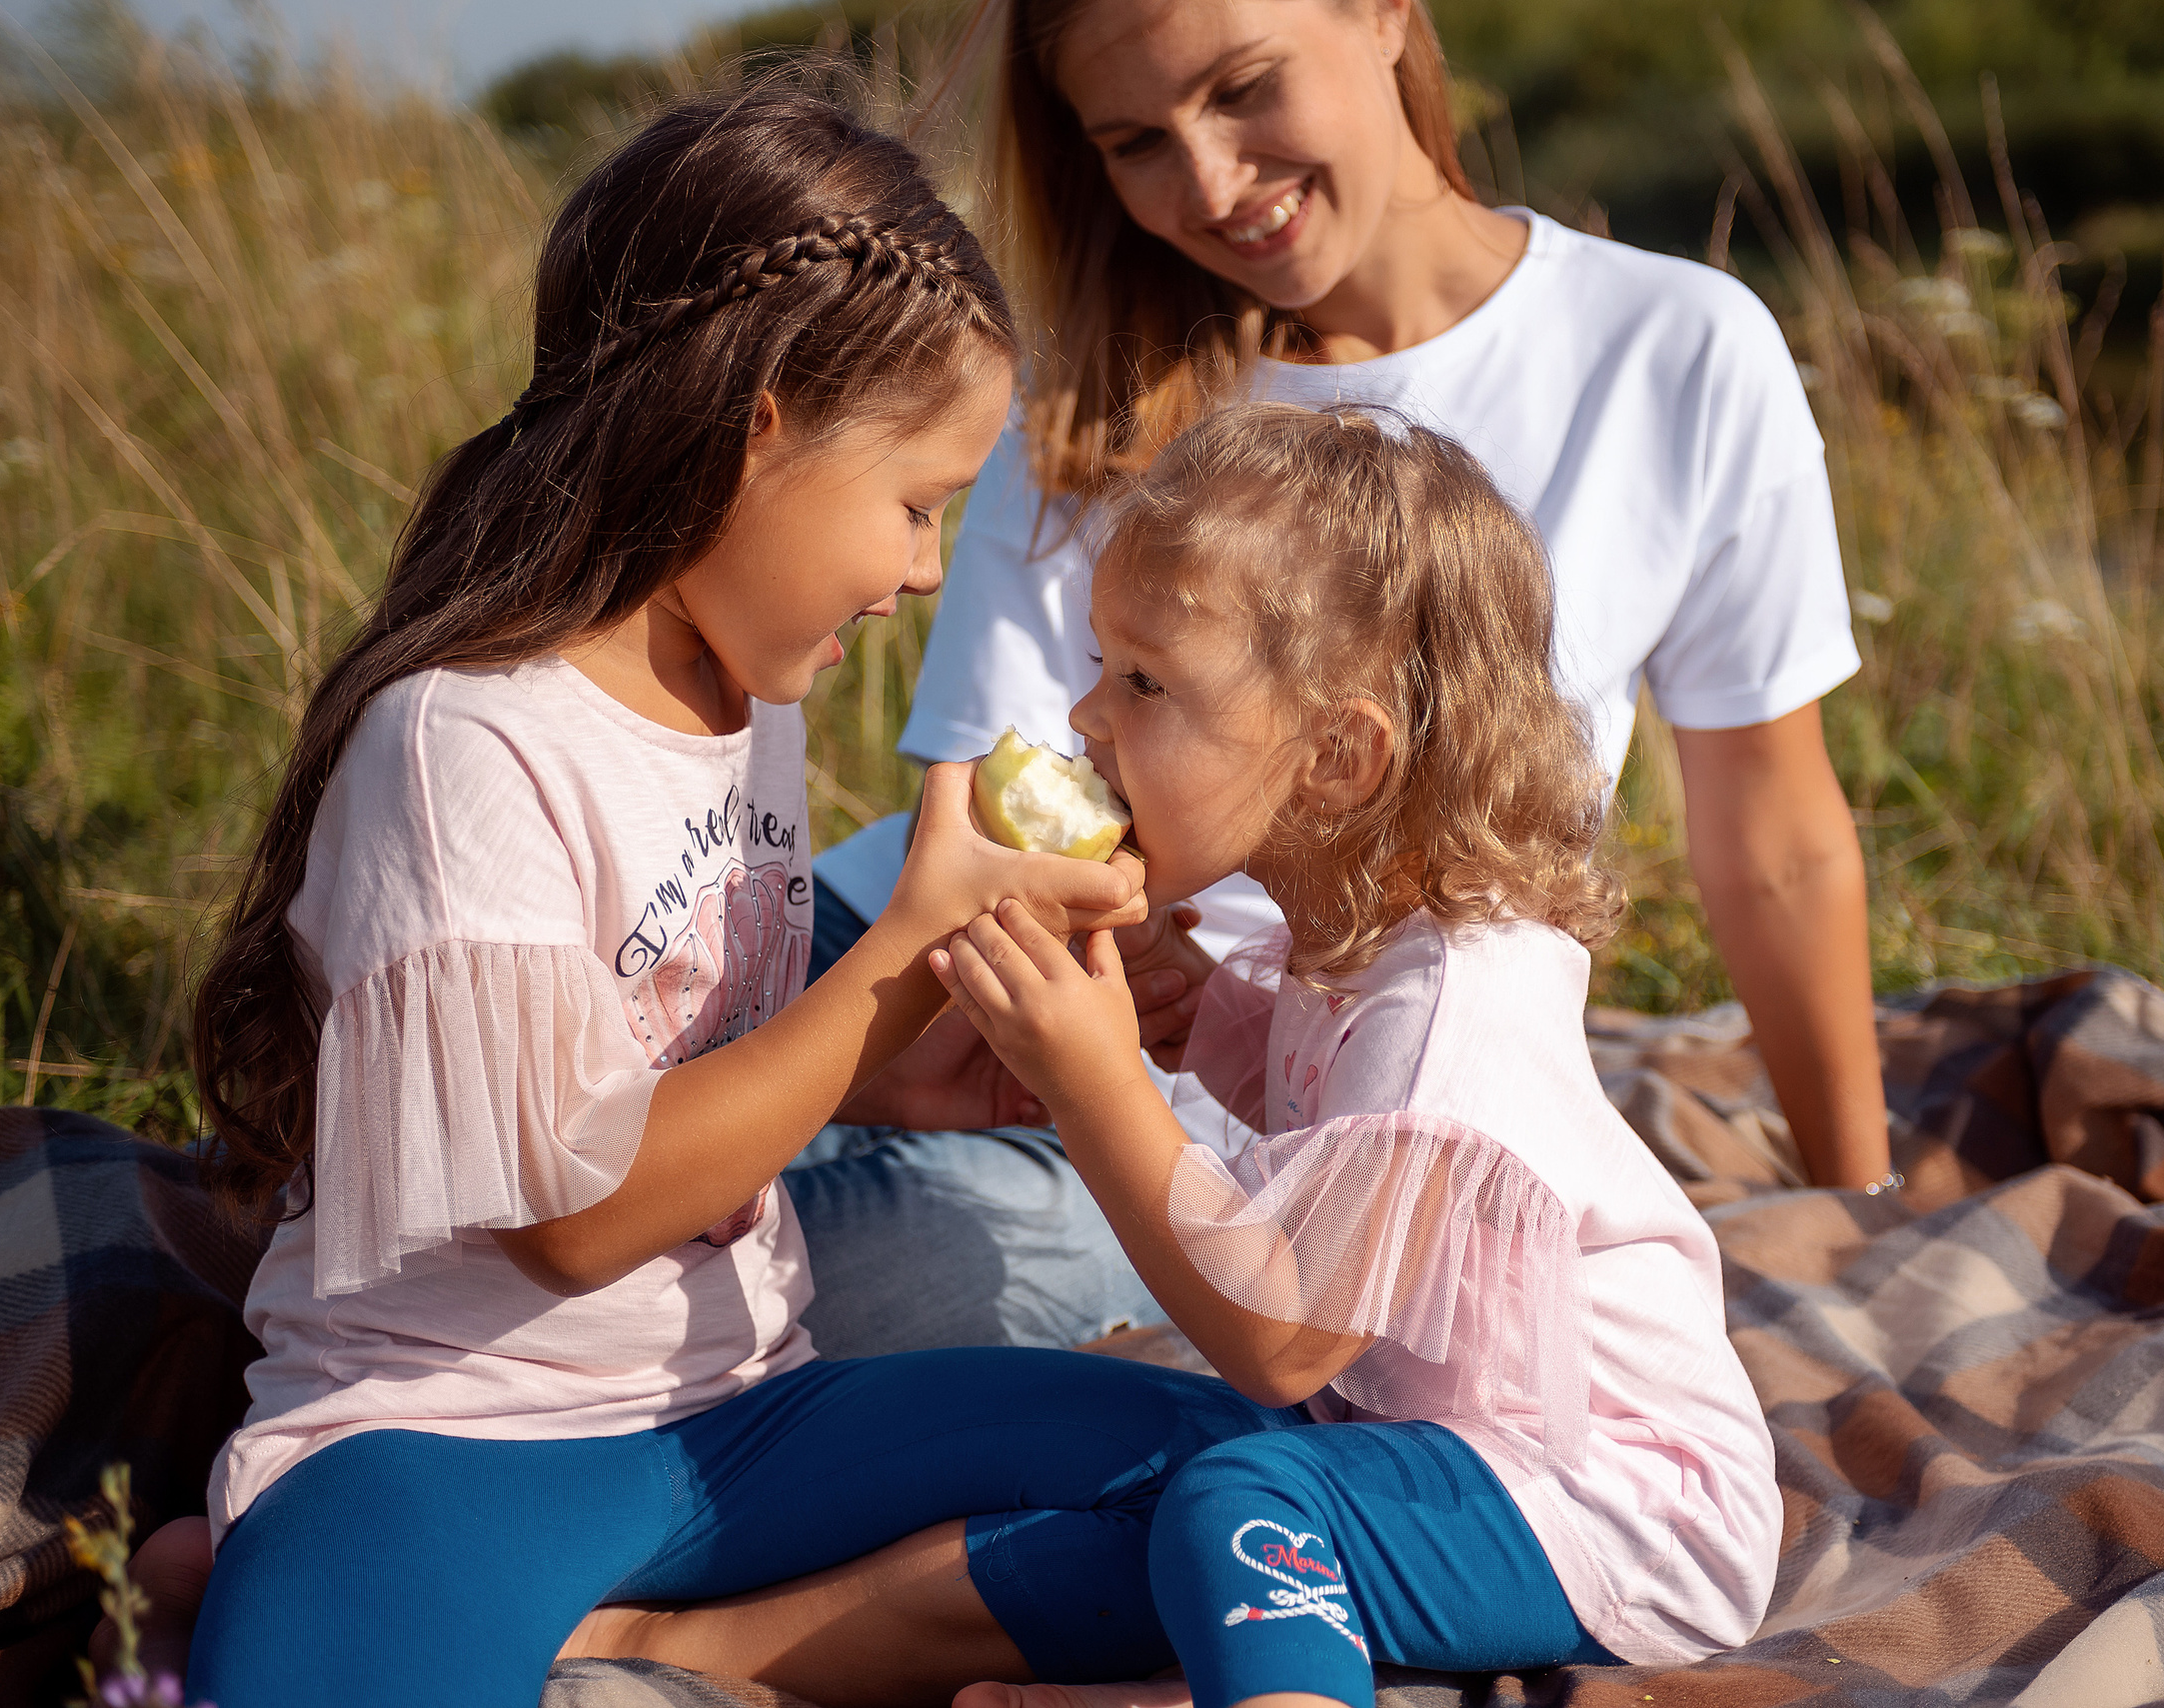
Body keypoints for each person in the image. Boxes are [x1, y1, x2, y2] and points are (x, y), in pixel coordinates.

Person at [170, 85, 1312, 1708]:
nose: (927, 569)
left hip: (742, 1416)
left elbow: (709, 1071)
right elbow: (570, 1217)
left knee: (1248, 1489)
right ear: (755, 421)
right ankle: (295, 1571)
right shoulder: (466, 739)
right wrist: (902, 959)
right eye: (916, 503)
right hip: (451, 1438)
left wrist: (931, 1075)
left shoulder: (751, 704)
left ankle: (669, 1646)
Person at [574, 403, 1781, 1706]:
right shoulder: (1353, 942)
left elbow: (1281, 1333)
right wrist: (1181, 1010)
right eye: (1101, 664)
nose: (1088, 715)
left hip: (1606, 1506)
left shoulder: (1456, 1005)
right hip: (1404, 1451)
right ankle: (653, 1652)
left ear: (1337, 755)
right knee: (1118, 1477)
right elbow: (1315, 1114)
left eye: (1146, 683)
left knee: (1239, 1492)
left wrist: (1098, 1084)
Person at [800, 0, 1890, 1343]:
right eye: (1137, 141)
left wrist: (1862, 1207)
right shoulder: (1100, 384)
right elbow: (988, 809)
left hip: (1212, 1104)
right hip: (917, 955)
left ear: (1383, 15)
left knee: (829, 1282)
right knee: (578, 1171)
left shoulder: (1678, 352)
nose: (1207, 183)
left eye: (1245, 87)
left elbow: (1775, 842)